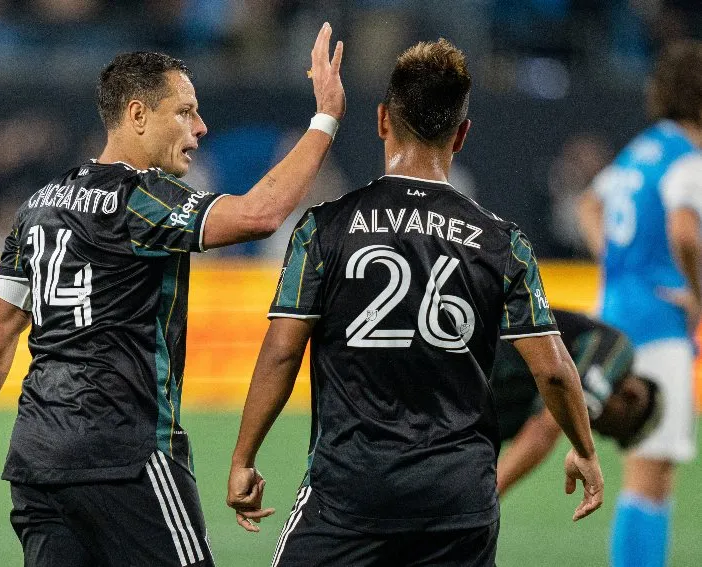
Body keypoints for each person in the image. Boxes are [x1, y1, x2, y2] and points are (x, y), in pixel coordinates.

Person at [0, 23, 345, 567]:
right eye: (184, 111)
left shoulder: (38, 207)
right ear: (137, 115)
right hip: (126, 459)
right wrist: (326, 118)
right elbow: (260, 214)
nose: (200, 127)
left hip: (38, 467)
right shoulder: (140, 201)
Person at [226, 38, 604, 567]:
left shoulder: (325, 228)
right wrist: (584, 449)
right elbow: (557, 373)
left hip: (349, 493)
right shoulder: (502, 242)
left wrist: (244, 457)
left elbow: (283, 352)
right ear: (462, 134)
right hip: (458, 501)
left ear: (382, 120)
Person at [577, 40, 702, 567]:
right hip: (658, 325)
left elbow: (589, 204)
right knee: (653, 477)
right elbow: (685, 232)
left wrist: (622, 263)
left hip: (616, 319)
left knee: (641, 470)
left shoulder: (643, 149)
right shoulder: (687, 157)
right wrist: (698, 295)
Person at [493, 309, 662, 496]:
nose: (594, 430)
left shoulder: (522, 408)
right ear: (631, 395)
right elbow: (546, 427)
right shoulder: (614, 349)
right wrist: (489, 496)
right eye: (609, 429)